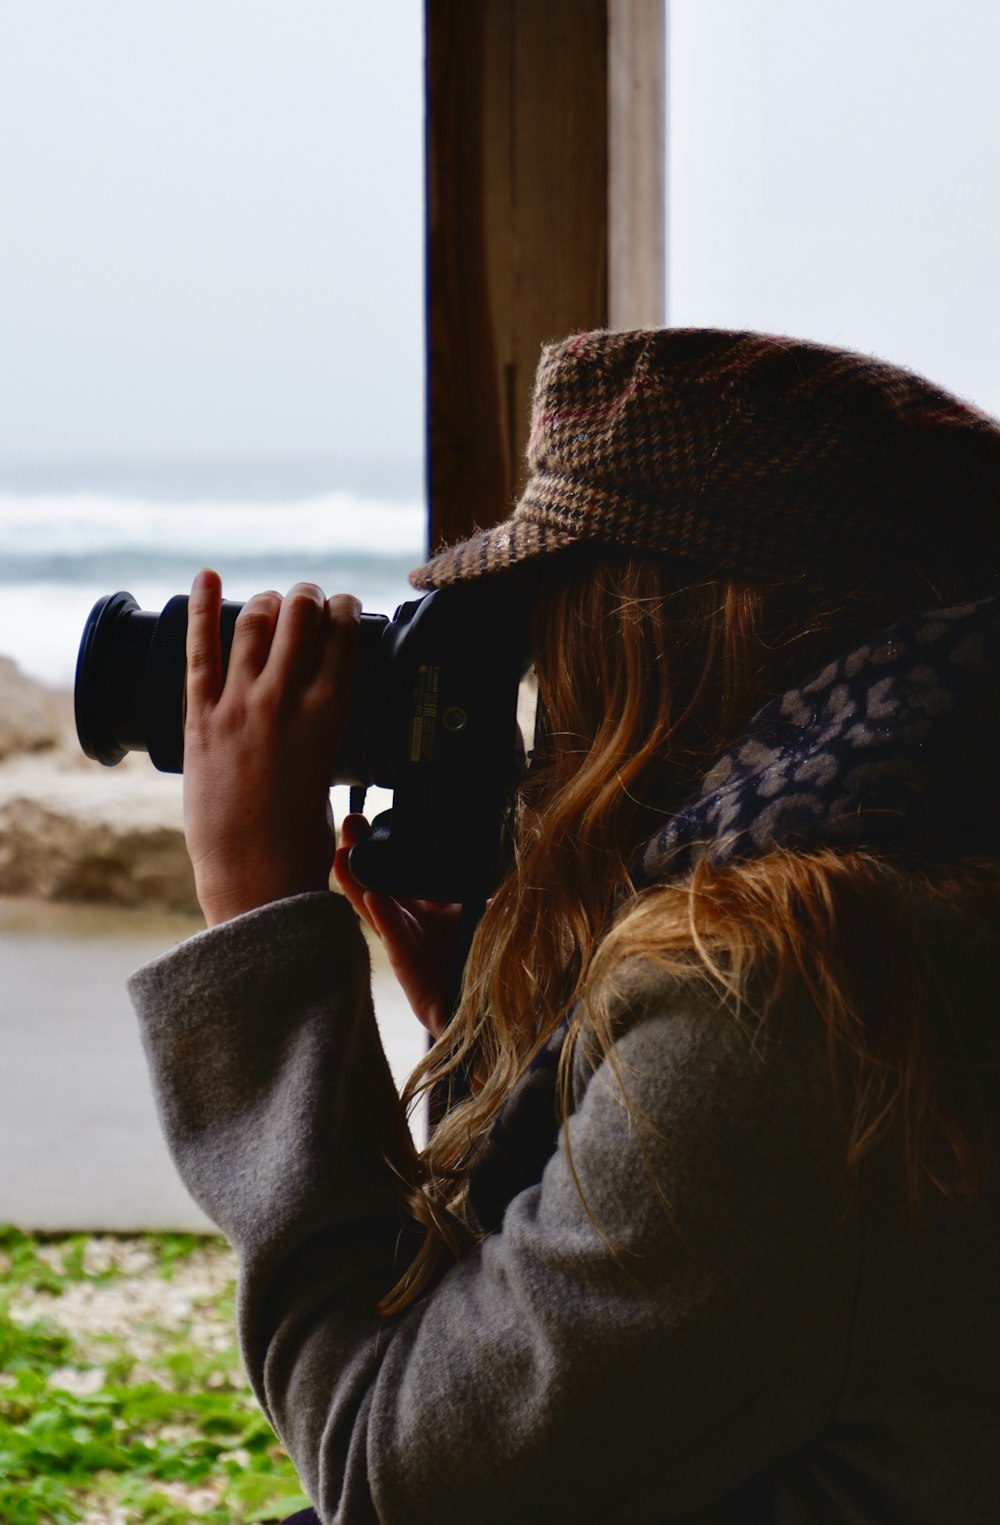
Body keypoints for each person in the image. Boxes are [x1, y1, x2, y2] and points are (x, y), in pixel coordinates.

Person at [129, 328, 1000, 1524]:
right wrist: (521, 1047)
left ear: (666, 629)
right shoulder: (928, 870)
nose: (541, 693)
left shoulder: (781, 988)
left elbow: (393, 1474)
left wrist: (261, 915)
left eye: (556, 621)